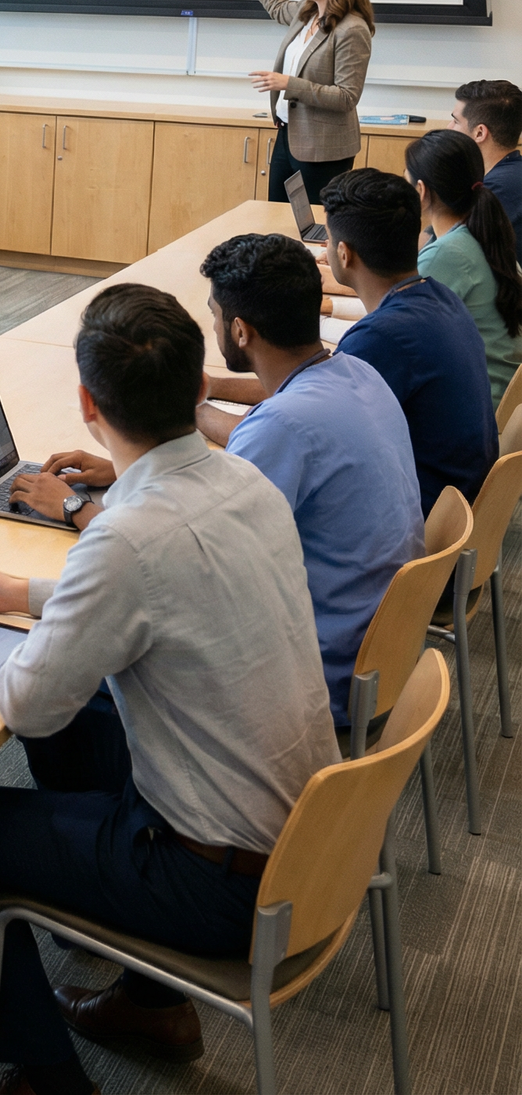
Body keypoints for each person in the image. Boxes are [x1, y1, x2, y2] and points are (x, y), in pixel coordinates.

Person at [0, 284, 338, 1095]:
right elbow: (162, 591)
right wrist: (25, 594)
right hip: (303, 838)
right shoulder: (246, 481)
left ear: (84, 404)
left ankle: (45, 1080)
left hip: (216, 882)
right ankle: (149, 1001)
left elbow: (26, 704)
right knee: (83, 721)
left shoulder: (124, 540)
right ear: (198, 388)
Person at [193, 234, 423, 728]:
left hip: (320, 681)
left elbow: (196, 562)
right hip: (383, 653)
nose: (211, 325)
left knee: (122, 654)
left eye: (213, 314)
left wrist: (76, 509)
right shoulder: (358, 371)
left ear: (239, 331)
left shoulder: (281, 428)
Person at [321, 168, 497, 514]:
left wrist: (198, 408)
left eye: (326, 240)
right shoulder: (438, 296)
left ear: (344, 254)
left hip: (414, 522)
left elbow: (311, 437)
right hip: (456, 506)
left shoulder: (381, 338)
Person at [222, 0, 374, 203]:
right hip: (287, 136)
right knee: (276, 218)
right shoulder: (307, 13)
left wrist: (288, 84)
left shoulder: (352, 29)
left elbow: (347, 96)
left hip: (324, 150)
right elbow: (277, 5)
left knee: (312, 228)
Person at [405, 129, 522, 410]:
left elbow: (396, 327)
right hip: (499, 396)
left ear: (421, 191)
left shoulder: (447, 253)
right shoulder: (482, 232)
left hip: (478, 405)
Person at [450, 78, 522, 244]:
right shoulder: (508, 174)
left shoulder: (497, 189)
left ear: (479, 133)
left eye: (456, 121)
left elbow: (447, 248)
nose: (449, 128)